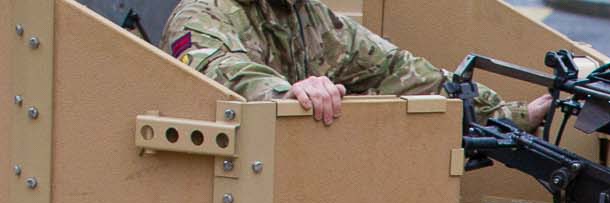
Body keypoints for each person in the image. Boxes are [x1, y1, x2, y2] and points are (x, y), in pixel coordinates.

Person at [160, 0, 552, 128]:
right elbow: (223, 72)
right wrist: (288, 94)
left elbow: (399, 72)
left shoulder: (305, 16)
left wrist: (515, 115)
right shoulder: (202, 16)